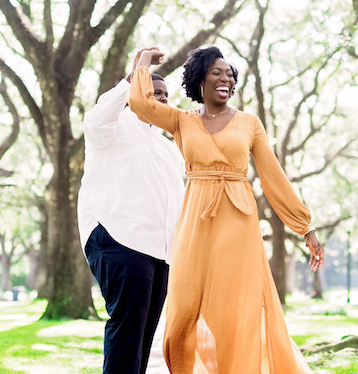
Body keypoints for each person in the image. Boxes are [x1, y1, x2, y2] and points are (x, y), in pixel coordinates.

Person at [128, 45, 324, 374]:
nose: (226, 78)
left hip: (238, 221)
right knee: (183, 311)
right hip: (195, 221)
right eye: (217, 72)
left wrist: (306, 227)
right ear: (200, 81)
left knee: (233, 313)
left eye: (230, 73)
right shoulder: (181, 120)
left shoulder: (249, 123)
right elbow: (140, 104)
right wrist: (143, 62)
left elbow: (274, 177)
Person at [77, 49, 185, 374]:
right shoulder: (114, 125)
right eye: (154, 92)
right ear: (135, 90)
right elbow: (98, 118)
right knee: (127, 335)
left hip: (159, 253)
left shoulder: (167, 148)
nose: (161, 99)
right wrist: (137, 70)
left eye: (166, 95)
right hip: (119, 239)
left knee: (143, 339)